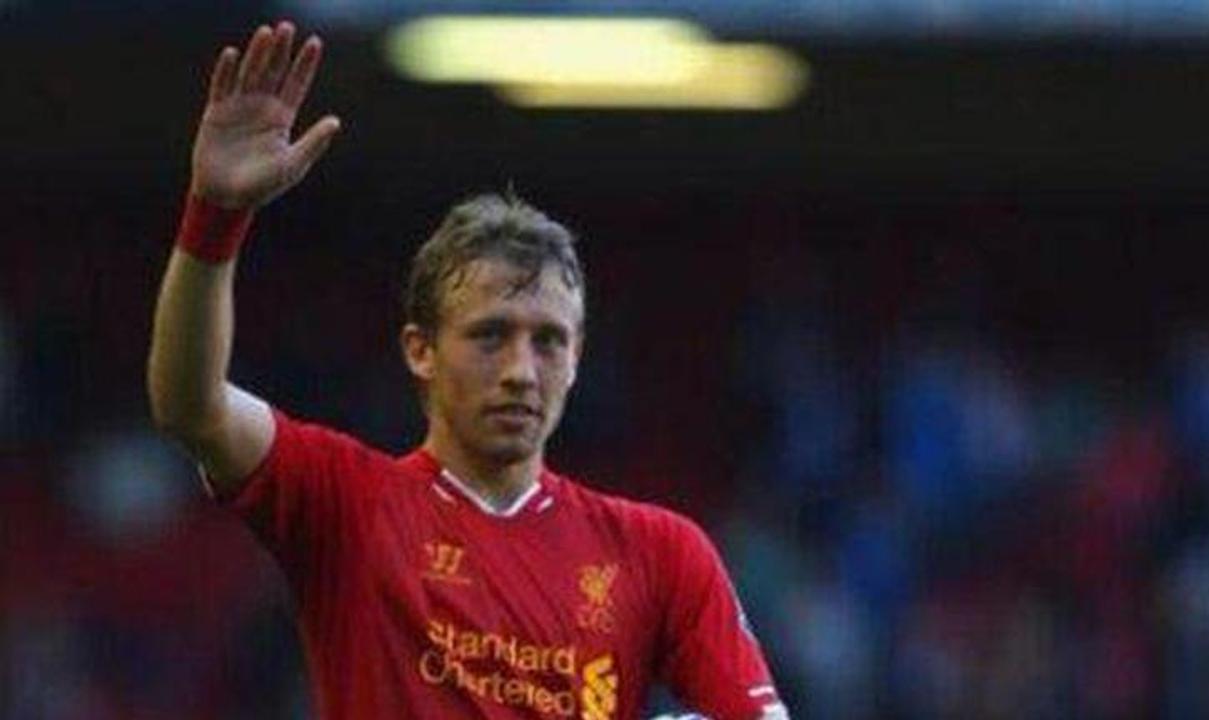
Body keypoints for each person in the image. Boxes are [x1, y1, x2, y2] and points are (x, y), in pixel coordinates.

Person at [146, 21, 788, 720]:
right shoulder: (349, 506)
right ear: (420, 350)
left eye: (548, 341)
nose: (520, 369)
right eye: (490, 336)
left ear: (577, 357)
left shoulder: (661, 554)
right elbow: (192, 407)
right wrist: (215, 217)